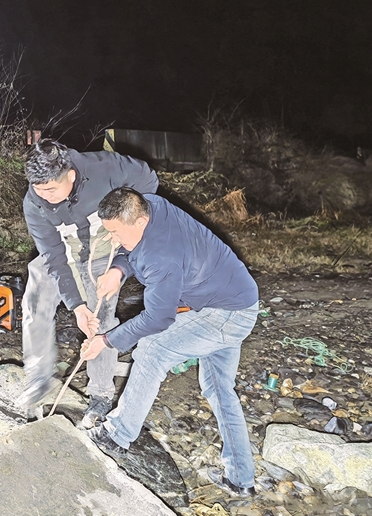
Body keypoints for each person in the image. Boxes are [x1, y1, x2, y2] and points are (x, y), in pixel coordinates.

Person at [82, 188, 260, 496]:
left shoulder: (160, 257)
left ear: (140, 221)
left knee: (153, 350)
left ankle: (116, 435)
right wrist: (118, 269)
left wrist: (107, 340)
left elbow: (158, 319)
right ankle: (241, 479)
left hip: (226, 314)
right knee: (219, 389)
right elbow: (132, 248)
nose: (112, 239)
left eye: (115, 232)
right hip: (234, 296)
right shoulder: (152, 205)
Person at [21, 139, 159, 427]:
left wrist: (128, 222)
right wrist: (76, 306)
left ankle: (101, 395)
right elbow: (53, 257)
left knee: (101, 318)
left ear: (70, 175)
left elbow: (148, 178)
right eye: (38, 189)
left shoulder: (103, 168)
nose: (44, 196)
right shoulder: (34, 203)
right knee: (36, 291)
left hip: (102, 249)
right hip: (66, 250)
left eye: (51, 190)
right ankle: (38, 378)